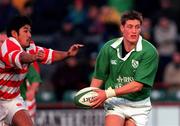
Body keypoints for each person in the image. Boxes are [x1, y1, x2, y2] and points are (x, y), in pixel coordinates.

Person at [0, 16, 83, 126]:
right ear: (14, 34)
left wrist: (67, 54)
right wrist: (33, 57)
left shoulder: (30, 47)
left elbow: (50, 55)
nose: (29, 35)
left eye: (30, 31)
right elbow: (21, 57)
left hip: (11, 99)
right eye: (25, 31)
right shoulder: (7, 45)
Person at [90, 11, 159, 126]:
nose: (134, 31)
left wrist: (107, 94)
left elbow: (137, 85)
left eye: (137, 27)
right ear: (122, 28)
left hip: (138, 105)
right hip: (116, 101)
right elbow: (99, 76)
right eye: (130, 27)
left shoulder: (149, 51)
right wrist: (91, 96)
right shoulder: (108, 48)